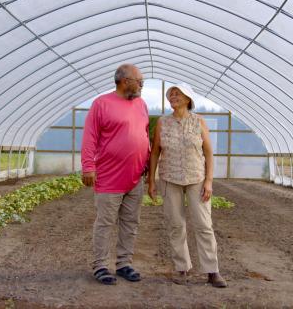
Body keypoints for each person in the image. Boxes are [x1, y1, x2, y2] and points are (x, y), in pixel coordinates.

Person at [148, 83, 227, 287]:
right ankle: (182, 268)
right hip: (169, 177)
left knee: (203, 225)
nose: (172, 96)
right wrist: (151, 180)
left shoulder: (198, 121)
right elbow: (155, 151)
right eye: (170, 94)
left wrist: (209, 181)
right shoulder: (162, 123)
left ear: (188, 99)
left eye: (177, 93)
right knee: (176, 224)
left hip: (196, 178)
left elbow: (208, 152)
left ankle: (212, 270)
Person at [81, 64, 149, 285]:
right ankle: (100, 265)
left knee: (131, 222)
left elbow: (143, 134)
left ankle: (124, 263)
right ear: (124, 80)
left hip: (135, 176)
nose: (142, 84)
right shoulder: (101, 104)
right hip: (109, 176)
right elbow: (90, 137)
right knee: (105, 223)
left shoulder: (141, 104)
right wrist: (88, 167)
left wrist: (146, 160)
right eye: (139, 80)